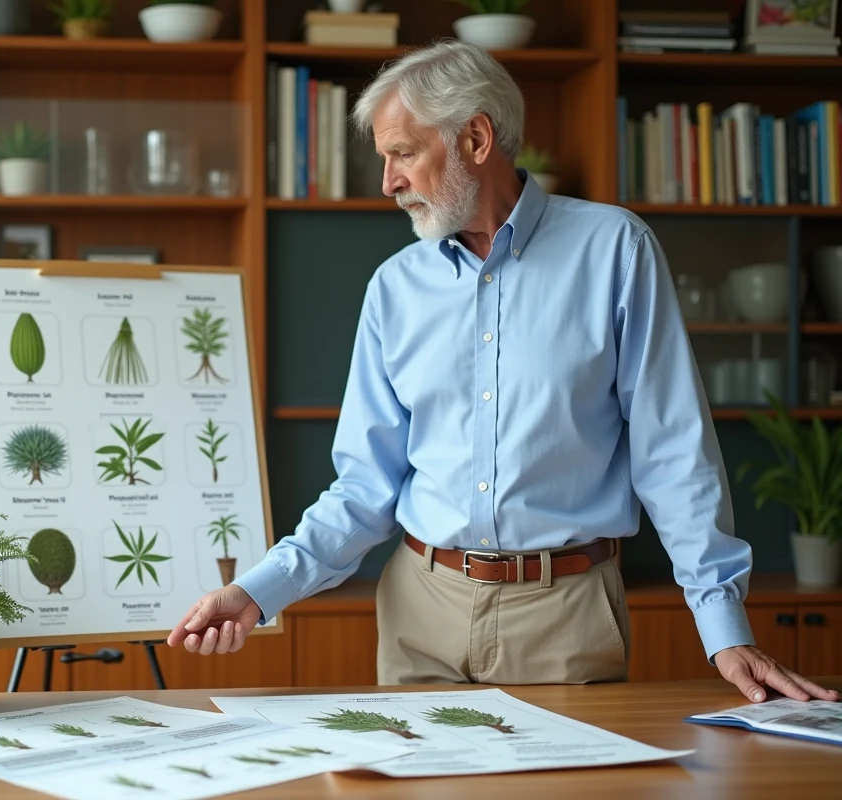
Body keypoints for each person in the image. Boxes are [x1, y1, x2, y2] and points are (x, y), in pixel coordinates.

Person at [166, 39, 838, 704]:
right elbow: (367, 484)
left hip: (567, 616)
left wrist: (723, 629)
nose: (388, 182)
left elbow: (673, 452)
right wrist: (257, 591)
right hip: (419, 614)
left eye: (402, 153)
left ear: (477, 139)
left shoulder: (615, 251)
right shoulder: (393, 288)